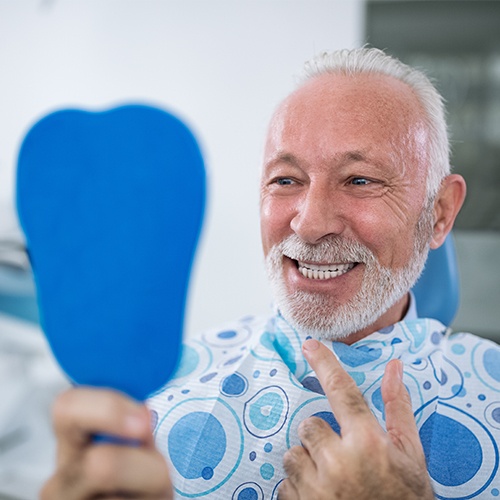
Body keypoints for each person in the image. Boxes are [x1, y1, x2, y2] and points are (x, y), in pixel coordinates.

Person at [41, 48, 500, 500]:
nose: (310, 223)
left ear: (439, 213)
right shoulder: (152, 401)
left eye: (360, 180)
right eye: (286, 180)